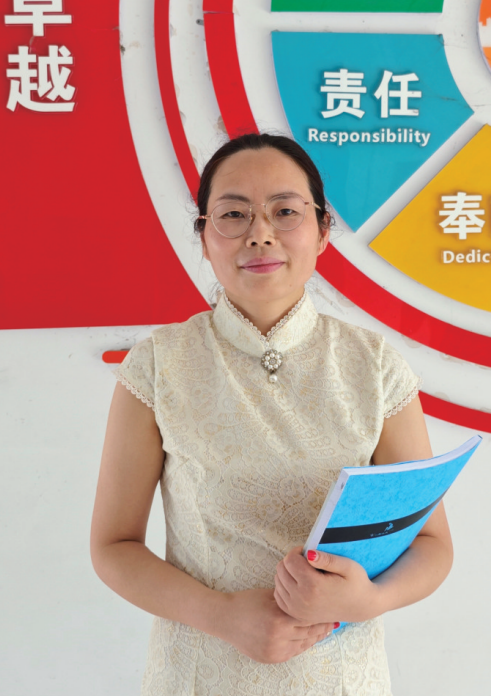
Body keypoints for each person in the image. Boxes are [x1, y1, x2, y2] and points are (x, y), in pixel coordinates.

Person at [90, 133, 453, 695]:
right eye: (234, 214)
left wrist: (369, 599)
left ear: (322, 230)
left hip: (342, 678)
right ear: (204, 236)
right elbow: (113, 547)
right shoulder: (158, 365)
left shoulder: (375, 365)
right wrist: (221, 616)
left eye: (285, 211)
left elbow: (432, 544)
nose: (260, 233)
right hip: (201, 674)